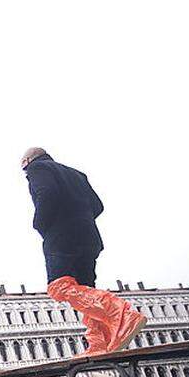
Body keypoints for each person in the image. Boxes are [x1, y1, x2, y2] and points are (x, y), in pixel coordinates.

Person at [22, 147, 145, 355]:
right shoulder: (76, 174)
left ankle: (121, 313)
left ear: (27, 161)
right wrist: (81, 219)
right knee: (86, 289)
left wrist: (40, 224)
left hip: (61, 237)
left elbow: (47, 194)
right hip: (88, 237)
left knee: (59, 286)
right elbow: (98, 206)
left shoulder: (37, 168)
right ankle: (100, 342)